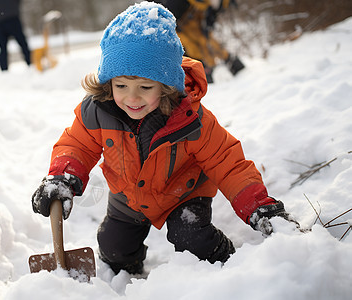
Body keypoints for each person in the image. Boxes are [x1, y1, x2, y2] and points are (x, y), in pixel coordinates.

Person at [31, 2, 298, 275]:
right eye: (121, 86)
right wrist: (61, 176)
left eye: (145, 87)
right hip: (128, 197)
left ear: (167, 84)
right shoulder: (98, 111)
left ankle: (226, 263)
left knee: (192, 239)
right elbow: (76, 145)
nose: (132, 98)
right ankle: (128, 271)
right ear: (107, 82)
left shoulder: (190, 119)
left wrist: (259, 207)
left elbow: (227, 163)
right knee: (114, 248)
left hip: (184, 193)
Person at [157, 0, 244, 83]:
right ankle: (206, 72)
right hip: (175, 23)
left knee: (204, 42)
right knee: (193, 47)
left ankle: (230, 64)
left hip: (187, 17)